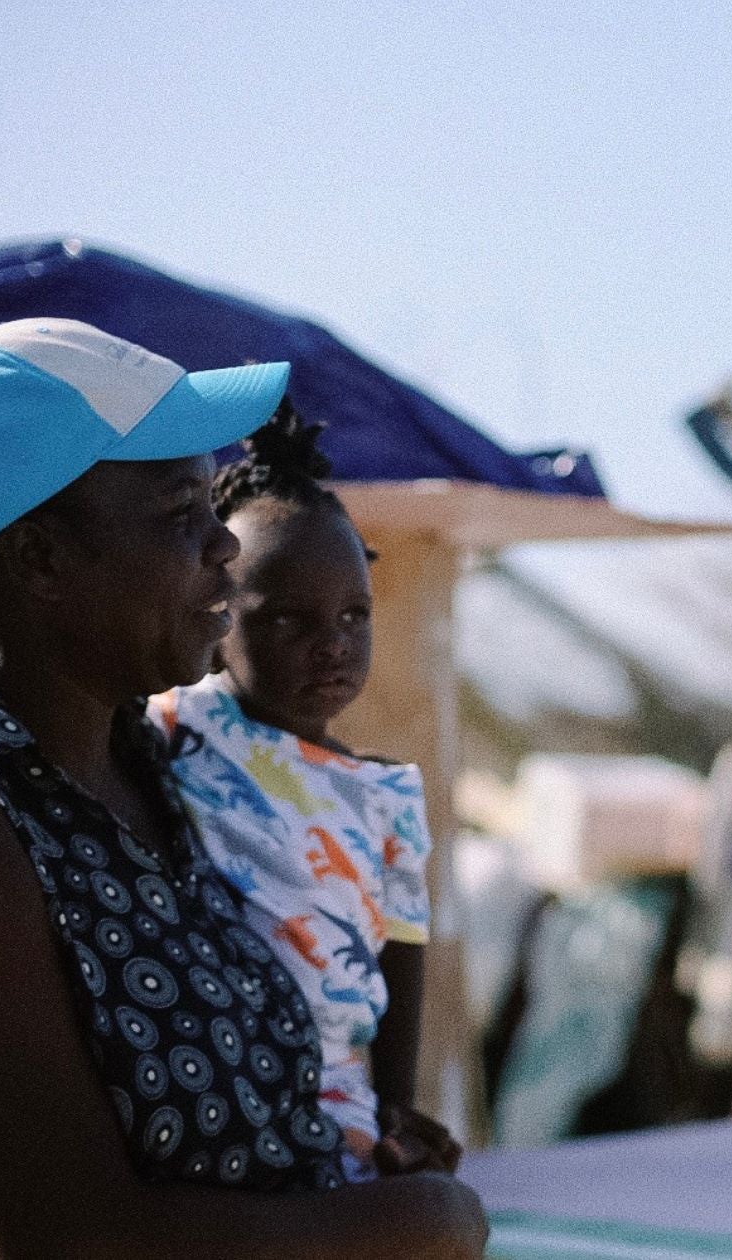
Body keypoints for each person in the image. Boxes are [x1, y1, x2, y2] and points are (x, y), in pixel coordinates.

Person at [0, 318, 487, 1258]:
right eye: (181, 515)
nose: (224, 548)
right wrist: (412, 1224)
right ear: (40, 557)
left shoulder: (157, 764)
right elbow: (77, 1240)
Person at [149, 407, 454, 1182]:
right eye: (289, 617)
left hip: (339, 1099)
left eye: (355, 614)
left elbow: (403, 955)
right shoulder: (181, 723)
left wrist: (395, 1108)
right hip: (218, 1090)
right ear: (217, 614)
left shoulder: (386, 794)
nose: (333, 644)